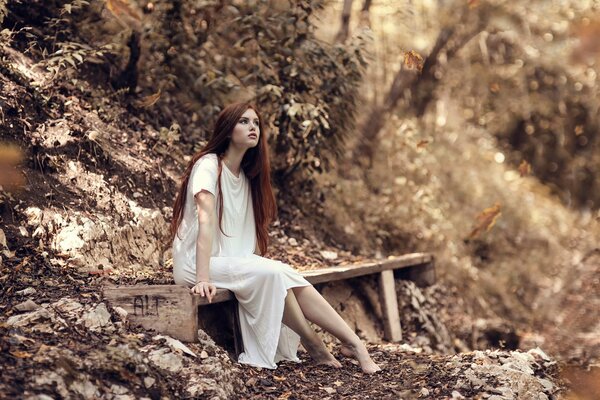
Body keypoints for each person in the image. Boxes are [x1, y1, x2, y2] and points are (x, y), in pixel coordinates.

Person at [170, 102, 381, 374]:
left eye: (256, 123)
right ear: (226, 128)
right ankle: (315, 344)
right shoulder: (208, 166)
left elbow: (245, 239)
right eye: (244, 122)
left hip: (229, 262)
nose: (252, 128)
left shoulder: (246, 178)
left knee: (282, 273)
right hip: (196, 264)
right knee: (273, 273)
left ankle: (353, 342)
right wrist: (202, 278)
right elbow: (205, 220)